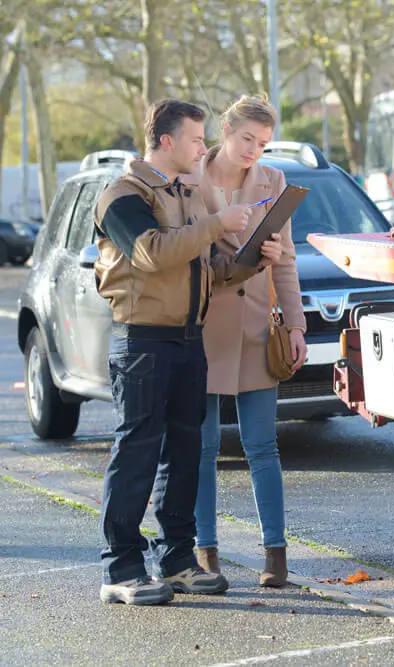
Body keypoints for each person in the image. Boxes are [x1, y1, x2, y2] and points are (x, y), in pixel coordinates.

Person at [93, 99, 285, 605]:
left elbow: (209, 270)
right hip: (141, 340)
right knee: (136, 452)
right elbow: (151, 253)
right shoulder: (121, 195)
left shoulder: (185, 194)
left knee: (184, 454)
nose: (204, 149)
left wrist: (253, 261)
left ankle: (177, 559)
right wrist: (219, 224)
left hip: (187, 338)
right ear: (167, 141)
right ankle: (121, 568)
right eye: (197, 140)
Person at [189, 94, 306, 588]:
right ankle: (204, 551)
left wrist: (296, 325)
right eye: (246, 139)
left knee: (262, 446)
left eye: (262, 143)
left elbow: (286, 260)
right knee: (203, 446)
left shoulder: (274, 181)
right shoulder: (191, 176)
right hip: (202, 325)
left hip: (258, 326)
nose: (254, 150)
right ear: (225, 129)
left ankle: (274, 555)